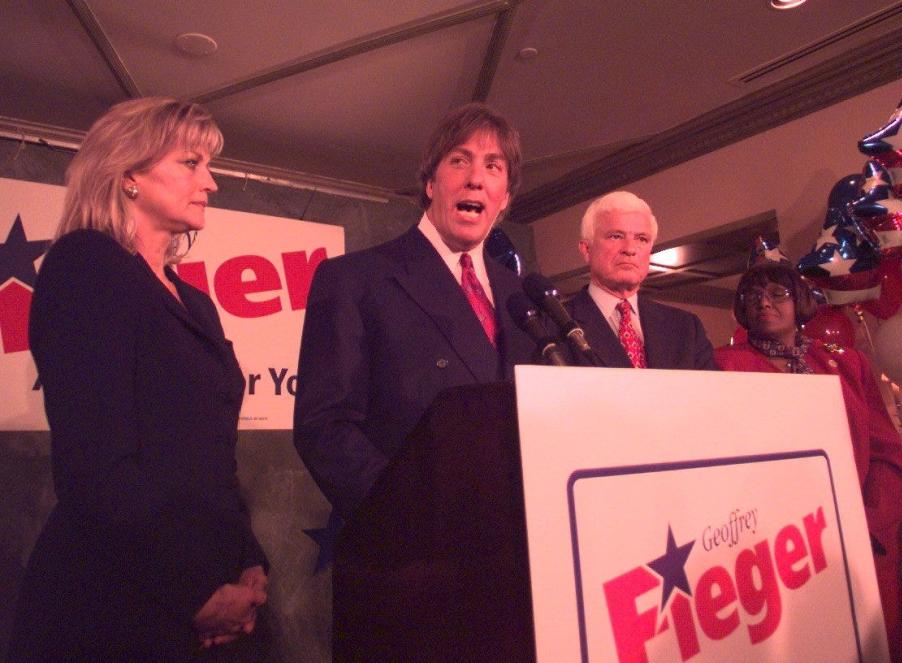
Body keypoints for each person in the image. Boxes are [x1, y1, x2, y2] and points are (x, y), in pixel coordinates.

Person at [7, 98, 268, 661]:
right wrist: (194, 592)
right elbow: (96, 466)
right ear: (128, 173)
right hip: (114, 602)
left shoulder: (196, 302)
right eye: (192, 163)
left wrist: (248, 561)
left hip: (208, 591)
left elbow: (213, 460)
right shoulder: (86, 265)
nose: (212, 183)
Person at [294, 102, 535, 520]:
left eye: (493, 167)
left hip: (514, 541)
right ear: (430, 183)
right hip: (412, 553)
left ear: (505, 198)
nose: (476, 179)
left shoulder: (523, 297)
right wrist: (407, 512)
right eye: (460, 161)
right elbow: (324, 427)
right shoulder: (354, 280)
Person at [714, 262, 902, 662]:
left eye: (777, 293)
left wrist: (870, 525)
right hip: (773, 542)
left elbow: (885, 451)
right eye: (753, 296)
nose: (765, 302)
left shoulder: (847, 363)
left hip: (857, 535)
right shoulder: (722, 364)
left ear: (800, 301)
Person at [566, 190, 716, 369]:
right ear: (586, 249)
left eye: (641, 239)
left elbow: (710, 395)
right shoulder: (554, 325)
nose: (629, 249)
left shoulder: (686, 329)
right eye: (616, 236)